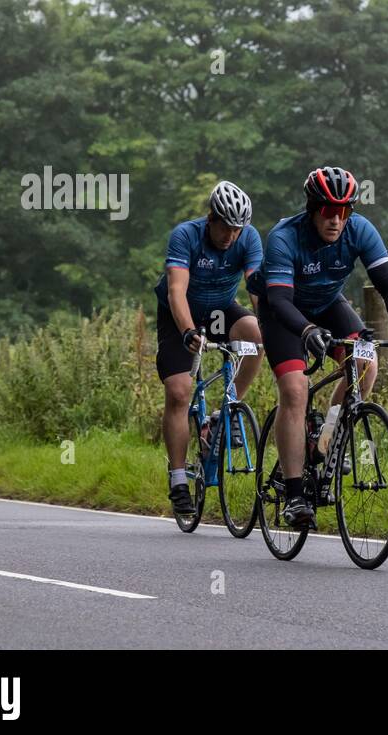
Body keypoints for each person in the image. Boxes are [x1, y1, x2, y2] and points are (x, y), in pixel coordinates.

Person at [249, 166, 388, 527]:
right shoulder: (285, 236)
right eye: (329, 211)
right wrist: (308, 330)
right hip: (283, 309)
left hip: (327, 302)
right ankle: (295, 495)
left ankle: (324, 441)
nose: (336, 220)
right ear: (313, 208)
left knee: (365, 363)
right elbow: (280, 302)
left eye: (344, 212)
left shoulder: (360, 230)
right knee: (295, 390)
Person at [154, 180, 264, 517]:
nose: (231, 236)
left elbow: (257, 289)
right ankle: (177, 479)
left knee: (259, 335)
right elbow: (176, 290)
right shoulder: (186, 236)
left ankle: (227, 411)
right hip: (181, 312)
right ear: (211, 218)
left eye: (237, 229)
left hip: (220, 308)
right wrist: (187, 331)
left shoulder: (248, 237)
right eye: (225, 227)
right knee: (179, 391)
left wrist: (277, 327)